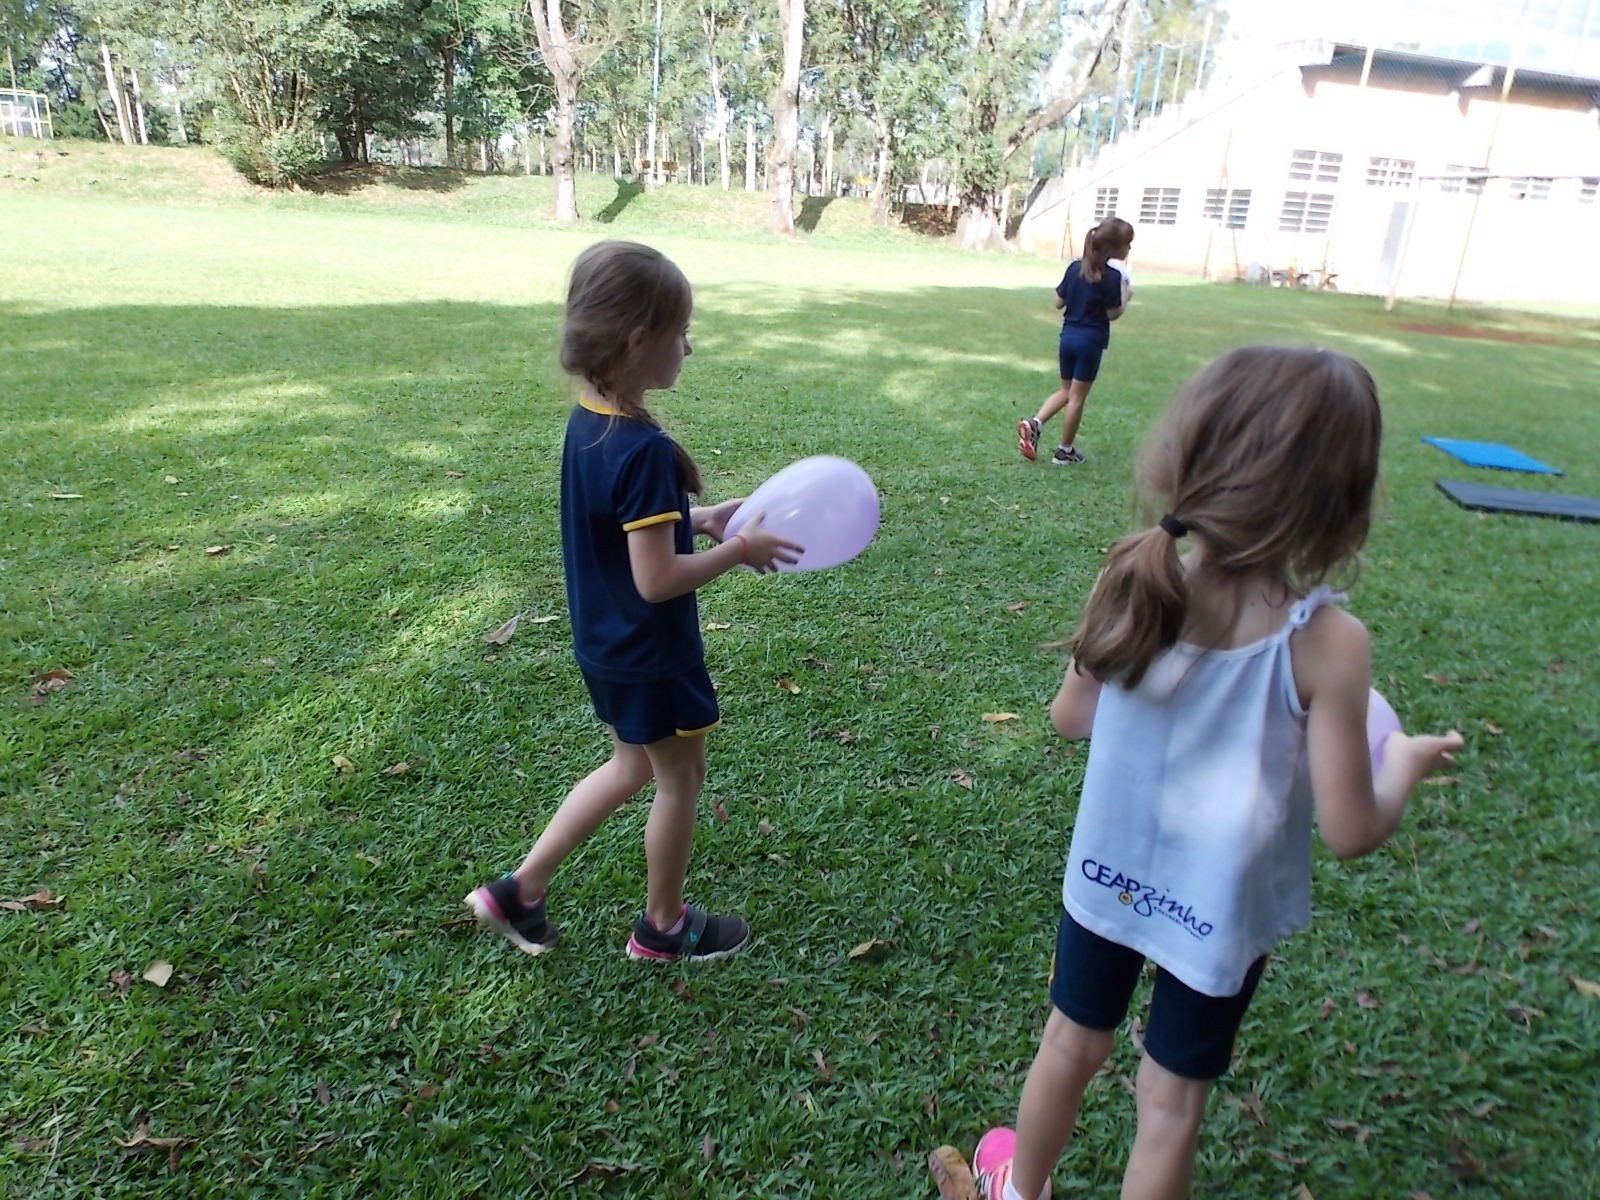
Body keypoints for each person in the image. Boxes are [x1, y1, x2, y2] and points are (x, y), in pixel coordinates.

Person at [972, 345, 1465, 1200]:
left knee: (1070, 1043)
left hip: (1108, 875)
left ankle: (1018, 1190)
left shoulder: (1132, 573)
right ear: (1340, 503)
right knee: (1169, 1107)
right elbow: (1352, 830)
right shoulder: (1330, 644)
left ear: (1192, 456)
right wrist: (1405, 765)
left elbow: (1068, 720)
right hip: (1219, 913)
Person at [464, 240, 801, 963]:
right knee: (681, 778)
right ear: (639, 340)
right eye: (682, 332)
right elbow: (657, 579)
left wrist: (700, 520)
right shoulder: (642, 448)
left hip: (607, 644)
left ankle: (518, 891)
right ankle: (663, 927)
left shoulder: (591, 419)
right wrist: (741, 550)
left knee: (630, 767)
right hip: (650, 653)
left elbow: (625, 534)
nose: (689, 346)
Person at [1017, 217, 1135, 466]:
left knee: (1066, 391)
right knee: (1077, 397)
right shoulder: (1112, 276)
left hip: (1067, 338)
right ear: (1114, 247)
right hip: (1090, 342)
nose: (1129, 248)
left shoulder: (1074, 268)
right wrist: (1126, 296)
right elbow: (1112, 314)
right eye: (1127, 243)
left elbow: (1058, 301)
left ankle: (1034, 424)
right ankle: (1064, 451)